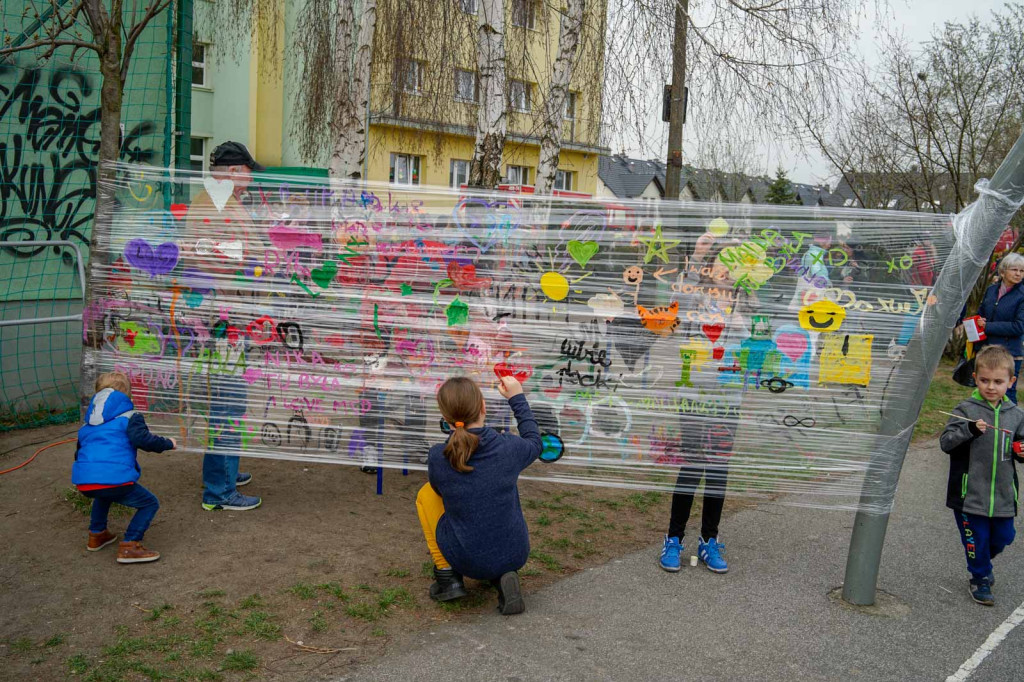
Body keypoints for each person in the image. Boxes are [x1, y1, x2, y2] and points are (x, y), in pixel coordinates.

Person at [416, 375, 542, 615]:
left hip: (466, 560)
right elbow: (535, 441)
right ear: (483, 407)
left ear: (445, 418)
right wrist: (517, 397)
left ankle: (448, 577)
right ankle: (504, 575)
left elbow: (438, 490)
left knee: (426, 494)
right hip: (516, 552)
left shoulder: (438, 456)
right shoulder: (508, 448)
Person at [184, 141, 264, 511]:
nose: (249, 180)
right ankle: (220, 490)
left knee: (231, 399)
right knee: (228, 402)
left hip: (228, 316)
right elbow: (213, 255)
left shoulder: (222, 202)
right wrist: (253, 262)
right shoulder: (213, 204)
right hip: (221, 321)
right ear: (233, 171)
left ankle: (225, 471)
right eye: (248, 172)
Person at [939, 345, 1024, 606]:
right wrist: (969, 430)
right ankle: (979, 577)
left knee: (1004, 537)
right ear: (975, 378)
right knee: (976, 540)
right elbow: (946, 442)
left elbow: (1021, 445)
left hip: (1002, 495)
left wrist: (1022, 451)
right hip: (969, 494)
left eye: (998, 382)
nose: (991, 387)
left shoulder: (1016, 415)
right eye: (985, 380)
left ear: (1011, 381)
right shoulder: (965, 409)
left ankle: (982, 564)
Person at [72, 372, 176, 564]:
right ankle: (130, 544)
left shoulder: (88, 423)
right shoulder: (130, 417)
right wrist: (168, 443)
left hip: (84, 481)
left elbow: (79, 453)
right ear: (128, 395)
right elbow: (143, 439)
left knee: (103, 494)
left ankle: (97, 534)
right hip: (115, 478)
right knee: (149, 503)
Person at [973, 252, 1024, 403]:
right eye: (1014, 270)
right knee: (985, 391)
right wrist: (978, 320)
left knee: (1007, 393)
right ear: (1003, 271)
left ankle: (1010, 426)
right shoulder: (991, 290)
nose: (1018, 274)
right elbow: (981, 312)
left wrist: (988, 326)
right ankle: (985, 424)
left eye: (1022, 271)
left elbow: (1019, 326)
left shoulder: (1022, 295)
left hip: (1010, 352)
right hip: (987, 349)